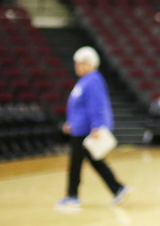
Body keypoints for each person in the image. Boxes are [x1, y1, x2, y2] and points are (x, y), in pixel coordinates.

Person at [55, 46, 128, 211]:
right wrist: (71, 123)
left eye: (80, 63)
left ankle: (72, 196)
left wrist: (98, 126)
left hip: (85, 131)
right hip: (79, 129)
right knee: (95, 161)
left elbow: (97, 106)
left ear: (89, 64)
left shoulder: (93, 80)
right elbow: (79, 108)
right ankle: (118, 188)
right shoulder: (85, 80)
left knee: (77, 163)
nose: (77, 66)